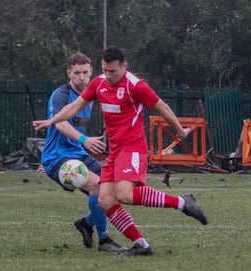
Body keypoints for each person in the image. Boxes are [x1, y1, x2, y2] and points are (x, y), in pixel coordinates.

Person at [34, 46, 208, 256]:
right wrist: (52, 121)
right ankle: (141, 244)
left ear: (124, 67)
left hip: (132, 148)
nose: (108, 75)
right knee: (105, 200)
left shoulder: (136, 86)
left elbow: (162, 106)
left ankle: (181, 202)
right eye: (104, 70)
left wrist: (179, 130)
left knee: (124, 194)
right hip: (114, 153)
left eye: (113, 71)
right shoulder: (98, 84)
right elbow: (75, 107)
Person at [40, 52, 125, 253]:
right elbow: (60, 123)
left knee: (114, 191)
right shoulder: (61, 95)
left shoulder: (92, 94)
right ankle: (105, 241)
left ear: (91, 72)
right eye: (76, 72)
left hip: (79, 155)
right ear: (68, 73)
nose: (81, 77)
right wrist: (85, 140)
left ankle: (86, 224)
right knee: (97, 186)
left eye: (85, 72)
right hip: (57, 157)